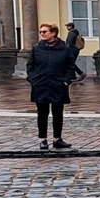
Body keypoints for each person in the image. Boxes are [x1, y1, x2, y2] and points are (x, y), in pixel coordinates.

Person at [27, 22, 78, 150]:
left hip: (58, 85)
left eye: (45, 31)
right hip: (41, 84)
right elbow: (30, 65)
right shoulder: (37, 48)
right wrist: (33, 79)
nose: (42, 34)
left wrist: (66, 81)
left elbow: (70, 67)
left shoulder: (64, 49)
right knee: (42, 113)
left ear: (53, 33)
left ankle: (57, 138)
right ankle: (42, 139)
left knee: (57, 113)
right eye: (41, 32)